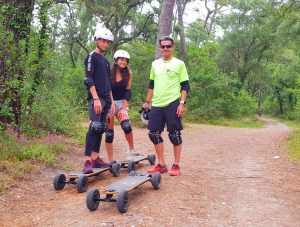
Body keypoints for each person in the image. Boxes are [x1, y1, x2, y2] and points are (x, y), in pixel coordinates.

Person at [142, 36, 190, 176]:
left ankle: (176, 164)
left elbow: (185, 85)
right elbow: (152, 84)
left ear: (173, 47)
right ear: (160, 48)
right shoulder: (155, 64)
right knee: (153, 134)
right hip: (157, 103)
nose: (165, 49)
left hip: (173, 102)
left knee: (174, 135)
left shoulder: (179, 64)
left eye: (168, 46)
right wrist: (147, 101)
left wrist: (182, 103)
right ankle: (161, 164)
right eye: (162, 46)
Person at [82, 27, 115, 174]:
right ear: (97, 40)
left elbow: (108, 84)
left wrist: (112, 102)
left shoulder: (106, 62)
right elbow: (88, 78)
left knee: (101, 128)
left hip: (106, 99)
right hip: (97, 98)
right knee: (94, 126)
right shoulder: (91, 57)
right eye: (103, 41)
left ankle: (95, 158)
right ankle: (87, 161)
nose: (106, 44)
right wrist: (95, 98)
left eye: (108, 42)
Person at [105, 50, 135, 160]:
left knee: (127, 126)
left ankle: (132, 150)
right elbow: (108, 90)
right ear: (116, 60)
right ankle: (111, 160)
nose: (123, 62)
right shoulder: (109, 73)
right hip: (109, 102)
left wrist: (123, 108)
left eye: (126, 60)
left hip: (121, 102)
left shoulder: (128, 73)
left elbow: (128, 91)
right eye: (121, 59)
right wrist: (111, 104)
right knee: (109, 134)